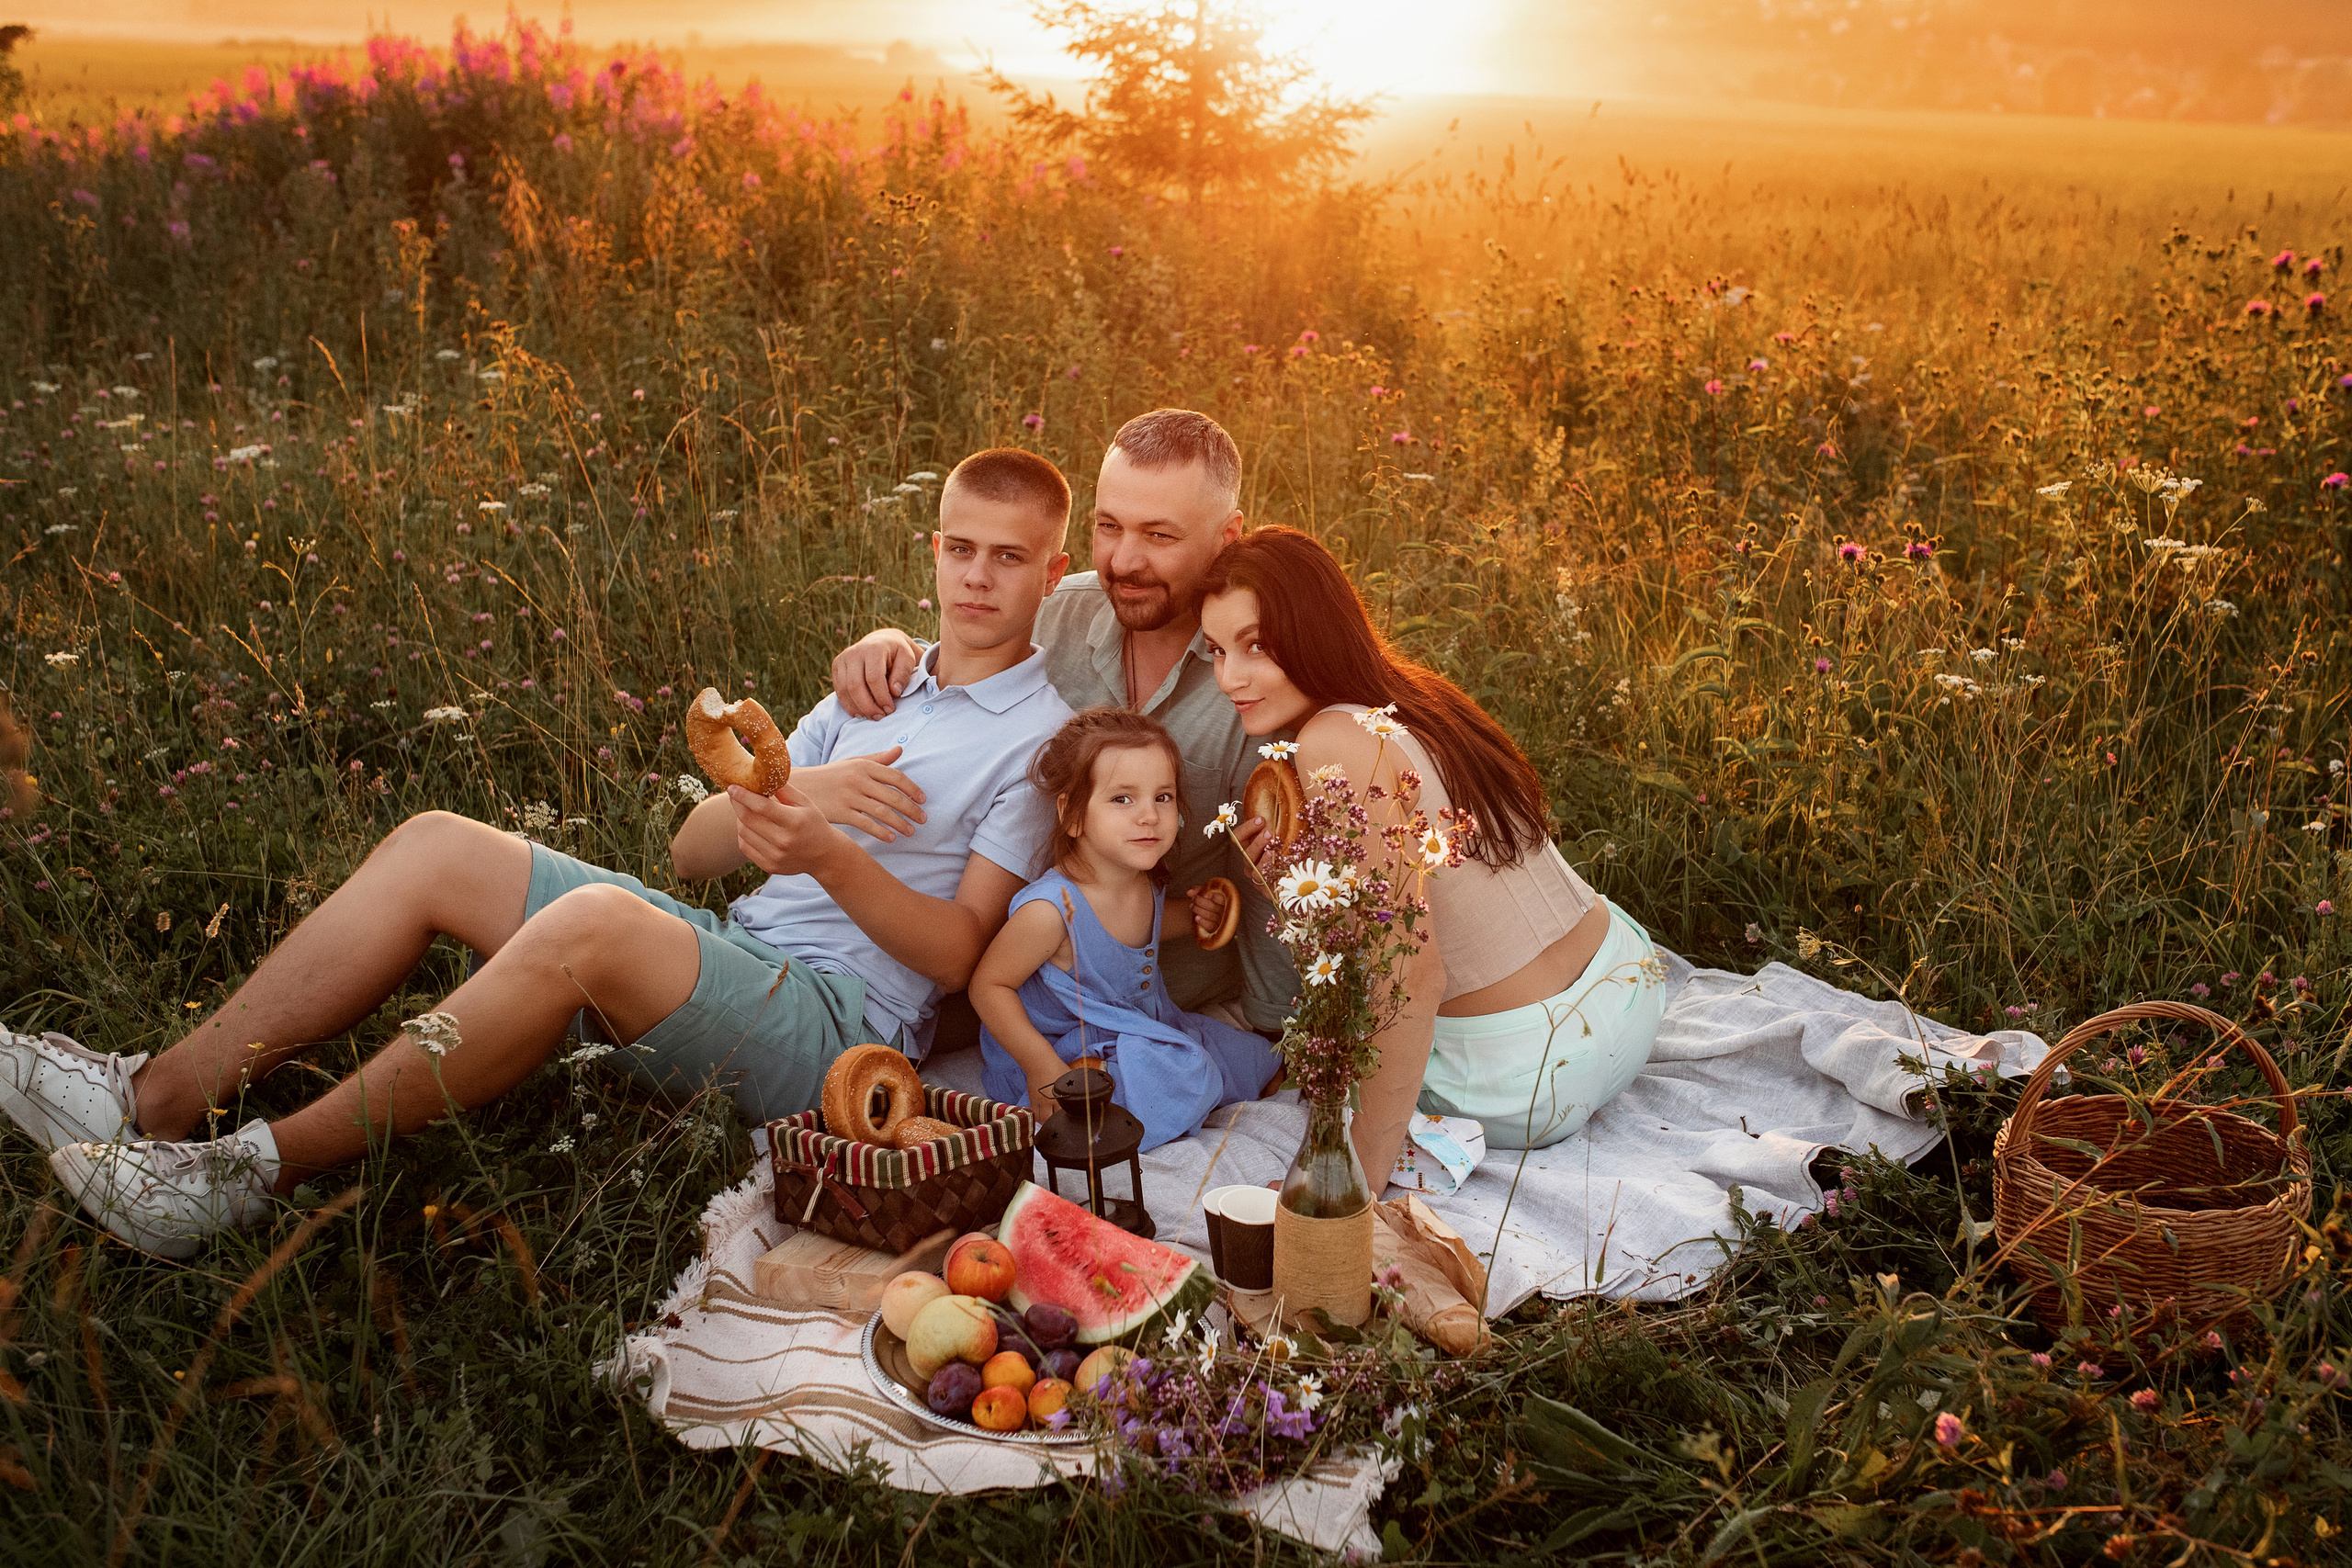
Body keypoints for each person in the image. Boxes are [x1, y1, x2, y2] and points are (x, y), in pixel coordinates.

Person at [3, 448, 1077, 1258]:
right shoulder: (875, 685)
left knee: (595, 924)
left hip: (845, 1033)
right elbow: (694, 849)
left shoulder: (1040, 741)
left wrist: (831, 853)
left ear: (1052, 573)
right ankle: (150, 1099)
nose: (977, 577)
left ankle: (244, 1176)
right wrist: (813, 792)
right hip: (736, 944)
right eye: (959, 547)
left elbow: (954, 960)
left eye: (1009, 557)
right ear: (931, 545)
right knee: (437, 845)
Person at [1199, 526, 1668, 1186]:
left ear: (1311, 632)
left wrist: (1352, 1178)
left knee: (1339, 1050)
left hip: (1529, 1075)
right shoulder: (1413, 697)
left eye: (1255, 646)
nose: (1229, 677)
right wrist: (1293, 884)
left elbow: (1409, 978)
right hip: (1630, 986)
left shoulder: (1330, 739)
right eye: (1217, 651)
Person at [828, 409, 1295, 1036]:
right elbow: (965, 653)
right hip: (981, 971)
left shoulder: (1254, 688)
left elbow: (1263, 879)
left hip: (1150, 1007)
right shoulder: (1060, 610)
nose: (1125, 560)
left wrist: (1272, 1027)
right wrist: (895, 645)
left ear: (1228, 536)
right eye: (1109, 526)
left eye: (1160, 536)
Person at [968, 707, 1281, 1151]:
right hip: (1058, 1049)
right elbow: (988, 986)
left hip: (1130, 1027)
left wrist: (1198, 918)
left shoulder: (1141, 880)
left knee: (1237, 1050)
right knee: (1183, 1069)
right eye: (1122, 799)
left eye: (1163, 797)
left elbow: (1146, 930)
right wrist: (1040, 1067)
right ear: (1073, 814)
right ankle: (1122, 1113)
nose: (1149, 816)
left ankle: (1176, 1087)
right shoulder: (1051, 911)